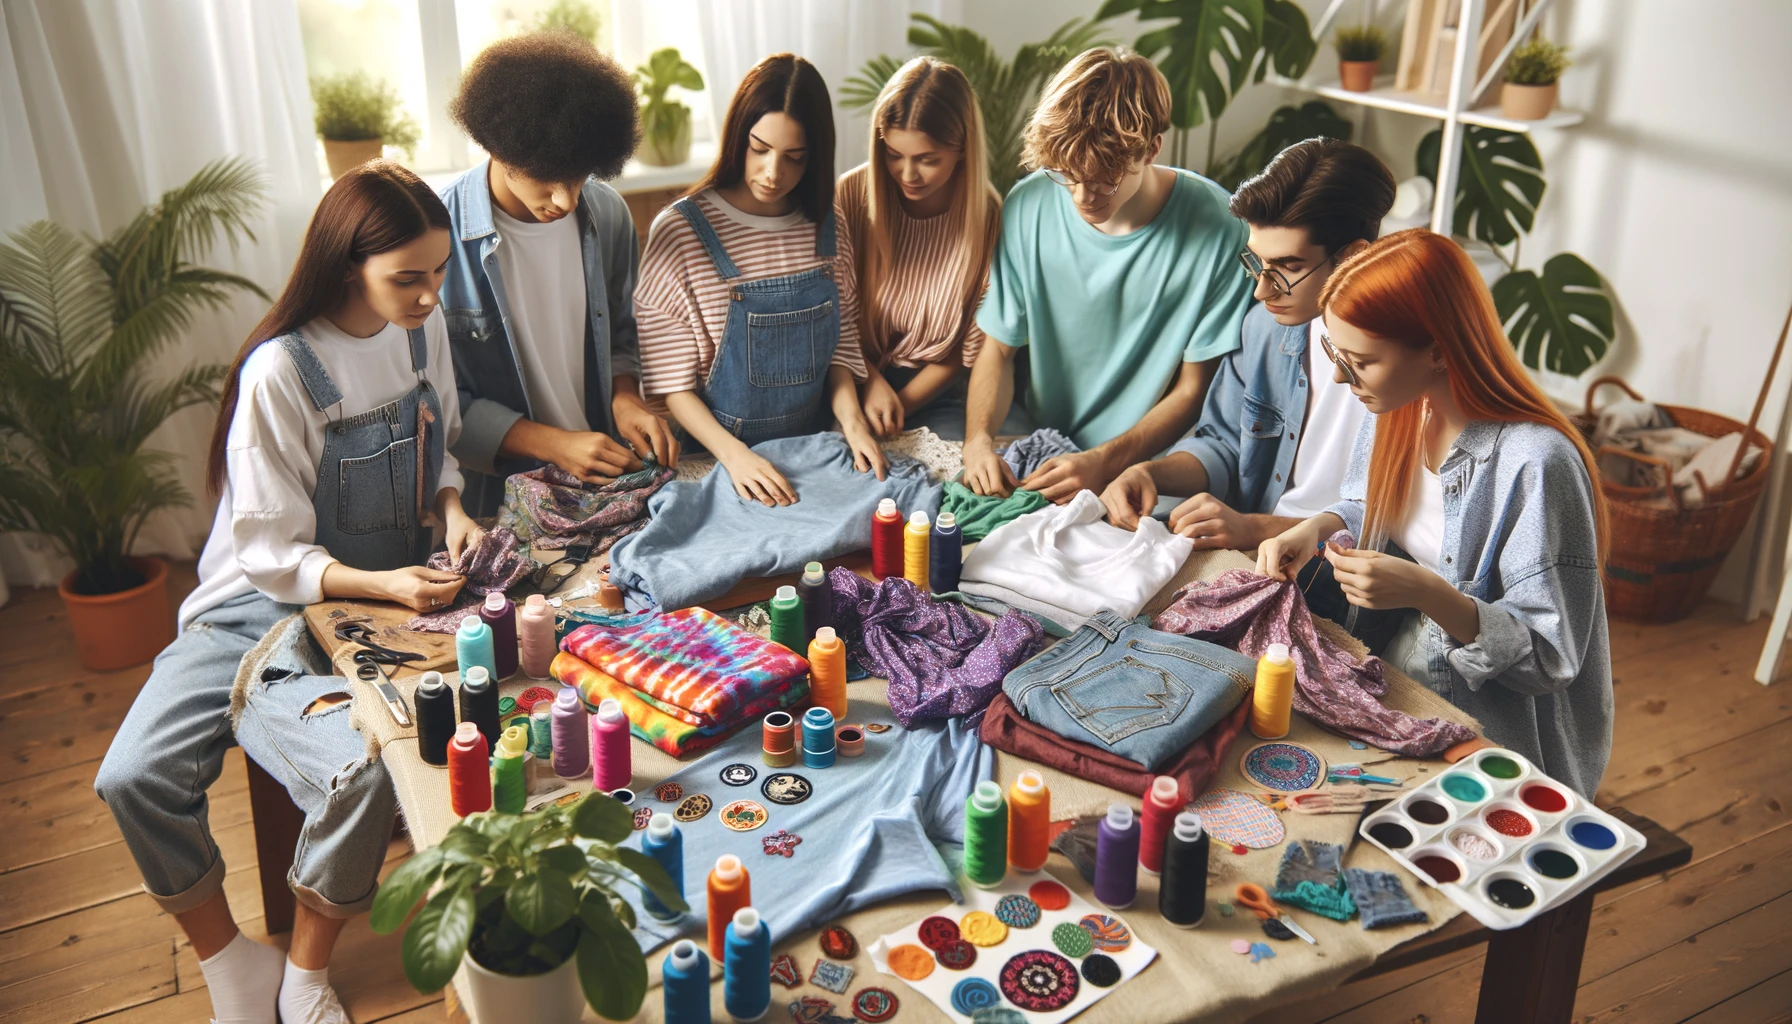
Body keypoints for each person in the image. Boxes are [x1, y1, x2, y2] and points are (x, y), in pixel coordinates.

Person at [94, 162, 482, 1024]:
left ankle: (306, 970)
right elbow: (269, 554)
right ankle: (229, 964)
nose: (427, 295)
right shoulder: (283, 371)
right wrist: (382, 579)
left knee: (361, 767)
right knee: (132, 777)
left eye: (439, 272)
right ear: (351, 265)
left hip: (378, 609)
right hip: (256, 610)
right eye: (407, 277)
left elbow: (442, 448)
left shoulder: (422, 333)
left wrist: (451, 509)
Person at [1256, 229, 1612, 796]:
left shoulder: (1537, 464)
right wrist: (1321, 526)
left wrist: (1428, 593)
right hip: (1399, 677)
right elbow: (1376, 506)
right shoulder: (1398, 405)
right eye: (1335, 355)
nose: (1344, 380)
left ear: (1440, 350)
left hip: (1492, 729)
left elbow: (1549, 659)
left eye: (1361, 361)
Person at [962, 47, 1254, 501]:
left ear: (1153, 148)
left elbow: (1193, 389)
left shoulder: (1220, 226)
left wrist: (1106, 462)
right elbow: (998, 349)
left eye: (1104, 180)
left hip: (1148, 463)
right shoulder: (1028, 205)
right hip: (1039, 438)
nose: (1082, 196)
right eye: (1066, 174)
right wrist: (977, 439)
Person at [1101, 138, 1397, 546]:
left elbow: (1395, 532)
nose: (1262, 290)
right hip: (1252, 546)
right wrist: (1149, 472)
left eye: (1287, 267)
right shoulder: (1265, 327)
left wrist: (1252, 530)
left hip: (1334, 578)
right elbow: (1222, 442)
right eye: (1258, 262)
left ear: (1351, 258)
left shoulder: (1409, 365)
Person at [439, 31, 678, 517]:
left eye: (579, 175)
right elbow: (434, 402)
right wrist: (553, 444)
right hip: (502, 496)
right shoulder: (437, 236)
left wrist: (626, 398)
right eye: (549, 177)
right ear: (500, 149)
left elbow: (621, 331)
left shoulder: (607, 215)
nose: (567, 200)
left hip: (608, 479)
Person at [635, 52, 886, 506]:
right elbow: (672, 385)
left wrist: (851, 422)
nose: (774, 173)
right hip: (718, 457)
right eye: (760, 149)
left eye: (795, 157)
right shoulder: (680, 231)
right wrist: (735, 457)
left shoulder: (828, 225)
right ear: (737, 136)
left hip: (813, 446)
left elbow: (841, 342)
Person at [838, 55, 1017, 441]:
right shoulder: (850, 195)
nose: (907, 174)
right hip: (846, 378)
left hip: (935, 394)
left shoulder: (988, 217)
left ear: (962, 150)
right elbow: (829, 316)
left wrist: (897, 405)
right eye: (893, 155)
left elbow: (965, 351)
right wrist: (869, 384)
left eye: (927, 160)